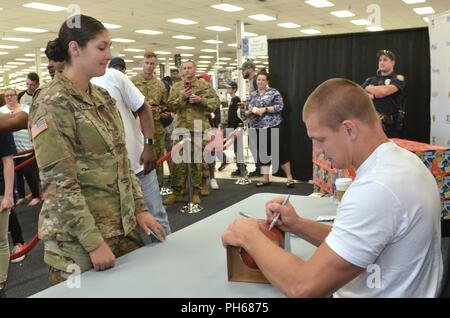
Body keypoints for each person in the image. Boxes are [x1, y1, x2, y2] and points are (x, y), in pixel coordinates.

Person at [222, 78, 443, 298]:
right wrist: (297, 225)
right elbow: (357, 241)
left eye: (320, 139)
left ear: (348, 129)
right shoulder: (405, 162)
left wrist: (248, 235)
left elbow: (303, 287)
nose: (316, 151)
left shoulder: (376, 188)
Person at [29, 15, 166, 285]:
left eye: (109, 47)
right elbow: (60, 184)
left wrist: (139, 208)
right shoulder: (52, 103)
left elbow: (122, 162)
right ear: (74, 48)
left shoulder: (101, 97)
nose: (109, 55)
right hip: (78, 247)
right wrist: (93, 244)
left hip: (122, 232)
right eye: (101, 48)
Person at [91, 58, 172, 235]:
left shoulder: (113, 76)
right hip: (106, 175)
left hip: (138, 163)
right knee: (118, 230)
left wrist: (149, 145)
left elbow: (143, 108)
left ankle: (168, 261)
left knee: (157, 219)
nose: (106, 54)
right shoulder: (70, 91)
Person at [164, 61, 219, 206]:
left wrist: (201, 100)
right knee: (178, 160)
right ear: (181, 72)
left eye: (189, 68)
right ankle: (177, 192)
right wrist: (182, 98)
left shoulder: (204, 85)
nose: (186, 71)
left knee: (197, 161)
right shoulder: (176, 88)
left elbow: (216, 102)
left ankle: (195, 191)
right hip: (181, 127)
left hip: (199, 126)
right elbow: (170, 106)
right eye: (184, 68)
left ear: (194, 70)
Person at [244, 70, 295, 188]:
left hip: (274, 125)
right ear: (256, 81)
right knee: (263, 154)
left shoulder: (273, 92)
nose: (260, 82)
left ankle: (289, 177)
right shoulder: (252, 95)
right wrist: (248, 111)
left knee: (280, 152)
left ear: (267, 81)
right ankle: (265, 178)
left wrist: (265, 109)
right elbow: (246, 111)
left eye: (263, 80)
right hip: (258, 127)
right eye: (258, 80)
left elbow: (280, 106)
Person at [131, 52, 167, 188]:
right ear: (142, 63)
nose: (149, 66)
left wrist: (158, 109)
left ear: (155, 65)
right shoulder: (132, 82)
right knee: (136, 158)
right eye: (146, 63)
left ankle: (158, 189)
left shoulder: (160, 85)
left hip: (155, 127)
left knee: (157, 159)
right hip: (136, 126)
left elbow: (165, 104)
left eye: (152, 63)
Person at [0, 88, 41, 207]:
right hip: (13, 148)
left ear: (16, 96)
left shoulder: (25, 109)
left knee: (29, 172)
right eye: (6, 96)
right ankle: (21, 196)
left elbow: (23, 121)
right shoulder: (2, 111)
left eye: (11, 95)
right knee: (17, 175)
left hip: (26, 146)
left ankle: (35, 195)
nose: (9, 97)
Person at [361, 49, 406, 138]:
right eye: (380, 60)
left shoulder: (398, 79)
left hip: (390, 126)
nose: (382, 62)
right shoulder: (370, 80)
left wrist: (370, 90)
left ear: (392, 62)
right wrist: (371, 92)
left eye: (385, 60)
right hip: (371, 124)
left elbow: (384, 91)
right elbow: (360, 94)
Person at [0, 132, 15, 298]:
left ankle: (0, 282)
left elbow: (8, 161)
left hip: (0, 193)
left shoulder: (2, 125)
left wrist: (8, 195)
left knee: (1, 240)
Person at [240, 60, 261, 178]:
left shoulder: (256, 81)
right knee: (254, 144)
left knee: (256, 145)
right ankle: (259, 169)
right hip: (253, 119)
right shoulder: (252, 81)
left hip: (257, 119)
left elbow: (260, 99)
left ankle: (260, 170)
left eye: (244, 70)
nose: (243, 72)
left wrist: (249, 109)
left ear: (250, 69)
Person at [226, 81, 245, 177]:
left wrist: (232, 128)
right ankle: (240, 167)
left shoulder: (236, 99)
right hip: (234, 126)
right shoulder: (232, 99)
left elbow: (234, 115)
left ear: (234, 89)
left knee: (238, 148)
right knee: (237, 148)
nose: (227, 89)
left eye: (229, 88)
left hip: (236, 127)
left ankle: (241, 168)